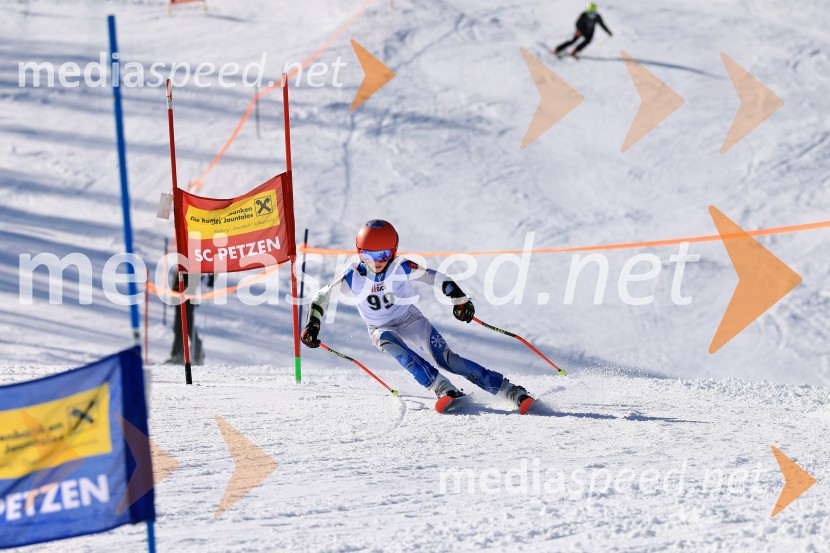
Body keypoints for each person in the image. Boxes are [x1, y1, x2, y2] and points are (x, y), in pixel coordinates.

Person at [301, 219, 534, 413]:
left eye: (382, 255)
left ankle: (510, 391)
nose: (376, 262)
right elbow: (320, 298)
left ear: (392, 252)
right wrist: (313, 324)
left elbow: (436, 277)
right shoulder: (352, 276)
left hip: (410, 320)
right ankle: (442, 387)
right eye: (368, 255)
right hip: (379, 327)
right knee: (391, 343)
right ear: (359, 253)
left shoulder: (401, 267)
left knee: (447, 359)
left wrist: (459, 299)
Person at [166, 272, 213, 365]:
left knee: (186, 325)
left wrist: (211, 279)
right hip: (179, 289)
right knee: (179, 326)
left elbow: (210, 263)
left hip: (190, 290)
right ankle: (178, 354)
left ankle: (195, 353)